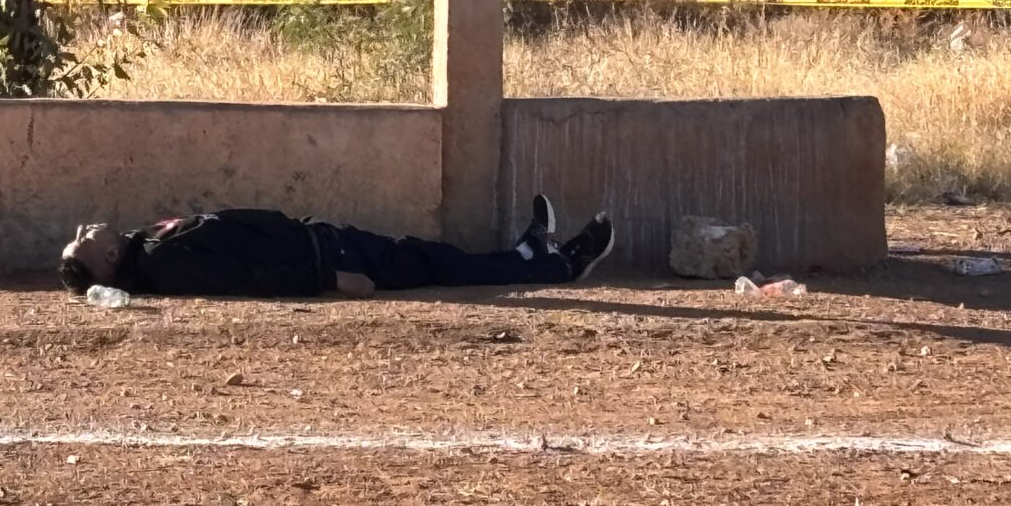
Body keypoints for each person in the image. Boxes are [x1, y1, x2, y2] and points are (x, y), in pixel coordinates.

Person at [59, 195, 614, 299]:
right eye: (83, 240)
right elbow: (246, 278)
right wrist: (329, 280)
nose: (86, 227)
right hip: (329, 260)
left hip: (319, 240)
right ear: (106, 260)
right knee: (436, 263)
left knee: (432, 256)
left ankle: (528, 256)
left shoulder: (144, 246)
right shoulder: (159, 263)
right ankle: (560, 266)